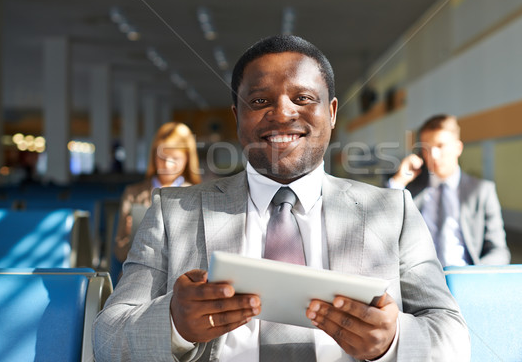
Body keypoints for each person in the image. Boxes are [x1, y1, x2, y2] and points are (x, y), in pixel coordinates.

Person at [93, 35, 470, 361]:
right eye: (259, 102)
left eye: (303, 97)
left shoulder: (393, 212)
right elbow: (108, 338)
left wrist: (392, 341)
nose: (283, 113)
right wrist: (175, 324)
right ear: (237, 116)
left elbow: (452, 337)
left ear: (332, 113)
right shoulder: (173, 212)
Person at [387, 114, 510, 267]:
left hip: (464, 277)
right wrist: (399, 181)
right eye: (427, 148)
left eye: (440, 146)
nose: (433, 155)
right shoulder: (410, 190)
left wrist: (473, 277)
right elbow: (381, 227)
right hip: (419, 279)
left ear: (458, 148)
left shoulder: (482, 191)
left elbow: (499, 251)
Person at [114, 122, 201, 264]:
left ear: (187, 159)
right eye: (162, 157)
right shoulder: (133, 194)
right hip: (138, 270)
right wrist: (131, 238)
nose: (167, 165)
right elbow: (119, 253)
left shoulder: (197, 195)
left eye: (175, 158)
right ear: (154, 155)